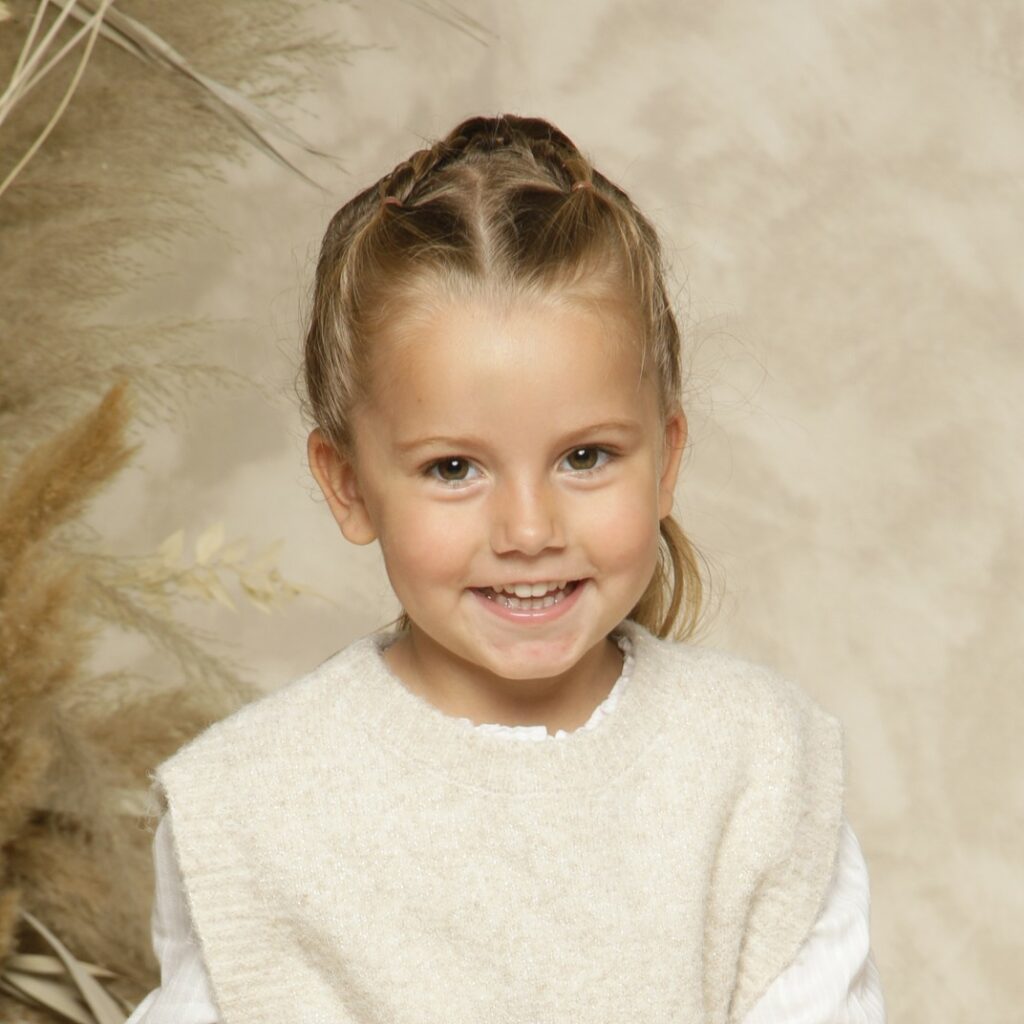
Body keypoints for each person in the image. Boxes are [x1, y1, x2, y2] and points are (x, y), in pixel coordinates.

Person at [127, 114, 886, 1024]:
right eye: (454, 468)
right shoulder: (252, 809)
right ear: (349, 484)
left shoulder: (761, 770)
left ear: (666, 458)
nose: (528, 530)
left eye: (586, 457)